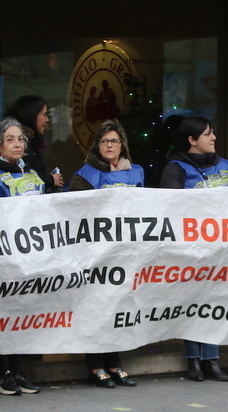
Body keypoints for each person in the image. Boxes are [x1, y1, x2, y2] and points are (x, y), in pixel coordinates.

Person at [160, 116, 228, 382]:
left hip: (221, 247)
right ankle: (194, 360)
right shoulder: (175, 169)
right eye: (207, 134)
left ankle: (212, 360)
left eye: (213, 132)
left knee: (215, 303)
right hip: (190, 248)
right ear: (192, 141)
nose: (213, 138)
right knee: (193, 303)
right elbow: (172, 209)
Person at [67, 119, 141, 388]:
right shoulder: (83, 176)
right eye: (104, 141)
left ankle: (115, 362)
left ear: (123, 145)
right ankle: (96, 366)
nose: (110, 145)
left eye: (115, 141)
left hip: (125, 253)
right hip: (95, 253)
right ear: (97, 146)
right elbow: (76, 217)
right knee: (96, 309)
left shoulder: (137, 173)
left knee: (118, 309)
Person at [0, 117, 44, 395]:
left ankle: (18, 370)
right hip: (5, 253)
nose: (17, 144)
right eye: (10, 139)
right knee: (3, 313)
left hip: (31, 252)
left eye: (20, 139)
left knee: (22, 313)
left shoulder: (30, 171)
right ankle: (3, 372)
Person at [4, 95, 65, 192]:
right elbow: (19, 179)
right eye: (44, 115)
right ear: (32, 116)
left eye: (20, 139)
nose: (47, 119)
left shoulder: (34, 144)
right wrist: (50, 179)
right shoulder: (21, 148)